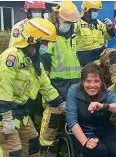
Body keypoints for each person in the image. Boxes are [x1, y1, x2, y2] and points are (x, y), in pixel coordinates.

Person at [0, 18, 65, 157]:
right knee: (12, 151)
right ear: (33, 40)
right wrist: (7, 118)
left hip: (22, 112)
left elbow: (45, 86)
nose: (46, 46)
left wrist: (59, 103)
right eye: (45, 42)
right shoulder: (11, 57)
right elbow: (4, 89)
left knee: (32, 141)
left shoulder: (34, 61)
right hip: (4, 113)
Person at [39, 1, 81, 147]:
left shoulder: (73, 35)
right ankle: (46, 146)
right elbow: (43, 67)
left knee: (75, 115)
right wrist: (47, 90)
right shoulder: (48, 37)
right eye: (66, 21)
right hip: (56, 83)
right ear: (57, 17)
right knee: (53, 116)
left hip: (74, 83)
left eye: (71, 22)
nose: (69, 24)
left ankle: (74, 142)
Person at [74, 1, 115, 66]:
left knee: (114, 55)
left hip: (100, 53)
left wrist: (110, 29)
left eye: (96, 10)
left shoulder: (99, 23)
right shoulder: (78, 23)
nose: (95, 12)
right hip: (85, 57)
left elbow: (109, 37)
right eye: (94, 10)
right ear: (86, 10)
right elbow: (71, 30)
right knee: (93, 70)